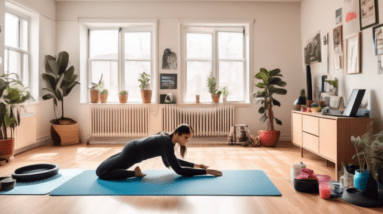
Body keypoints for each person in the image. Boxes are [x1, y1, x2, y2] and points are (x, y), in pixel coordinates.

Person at [96, 124, 223, 180]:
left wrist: (197, 165)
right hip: (130, 154)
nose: (187, 141)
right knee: (101, 172)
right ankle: (134, 173)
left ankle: (134, 173)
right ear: (178, 134)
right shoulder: (167, 143)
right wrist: (207, 172)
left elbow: (172, 160)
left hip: (131, 149)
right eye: (186, 138)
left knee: (102, 170)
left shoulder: (167, 138)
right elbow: (179, 170)